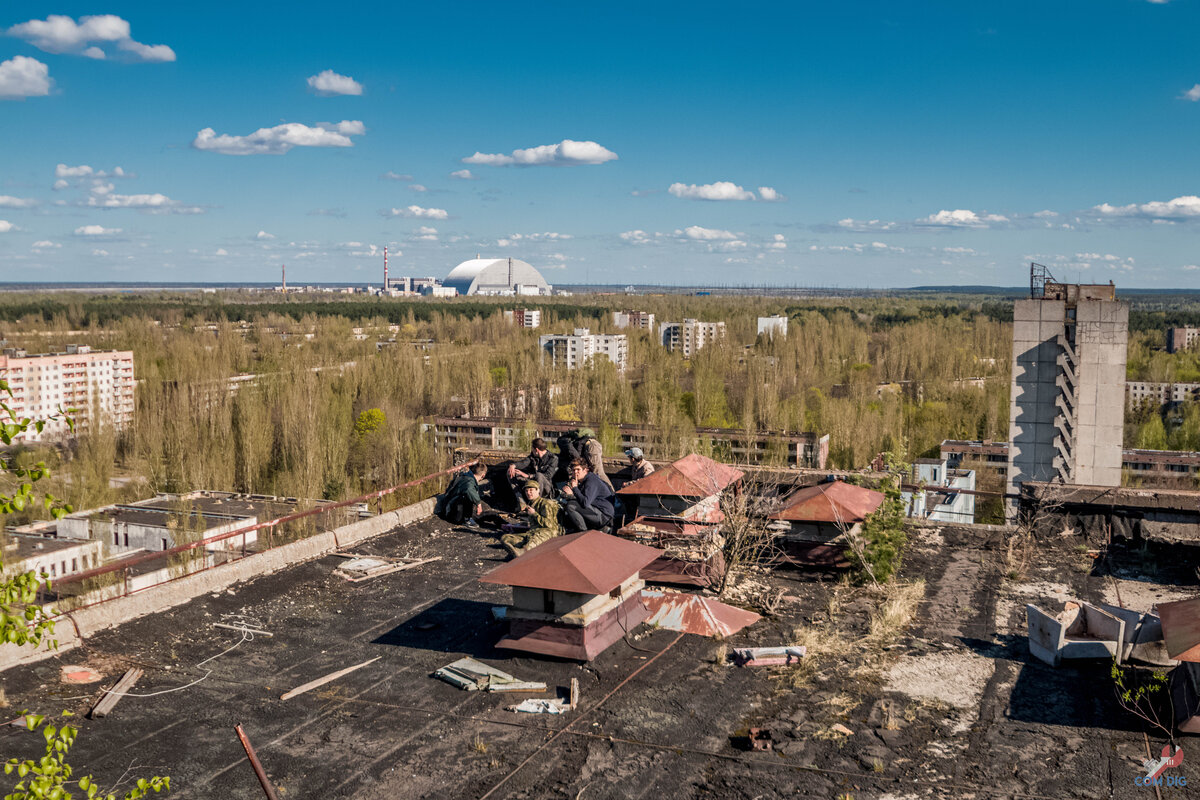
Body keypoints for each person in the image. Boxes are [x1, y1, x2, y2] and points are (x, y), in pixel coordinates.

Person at [500, 480, 562, 558]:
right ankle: (516, 550)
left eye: (531, 490)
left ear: (538, 490)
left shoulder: (546, 504)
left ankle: (523, 551)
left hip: (548, 533)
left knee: (537, 536)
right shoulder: (531, 504)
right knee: (505, 538)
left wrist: (534, 514)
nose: (528, 493)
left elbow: (550, 525)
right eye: (526, 491)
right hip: (533, 533)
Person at [559, 457, 615, 533]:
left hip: (603, 516)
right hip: (594, 510)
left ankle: (583, 532)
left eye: (578, 470)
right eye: (573, 470)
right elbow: (582, 499)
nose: (575, 472)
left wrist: (575, 488)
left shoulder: (591, 481)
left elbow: (585, 503)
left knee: (571, 506)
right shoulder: (583, 481)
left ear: (585, 470)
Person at [506, 438, 557, 508]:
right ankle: (521, 502)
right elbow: (524, 462)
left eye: (532, 449)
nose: (531, 451)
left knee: (539, 475)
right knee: (511, 472)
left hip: (546, 487)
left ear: (536, 450)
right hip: (533, 482)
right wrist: (513, 465)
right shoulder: (533, 457)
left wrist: (528, 476)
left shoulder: (553, 458)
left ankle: (536, 505)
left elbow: (548, 475)